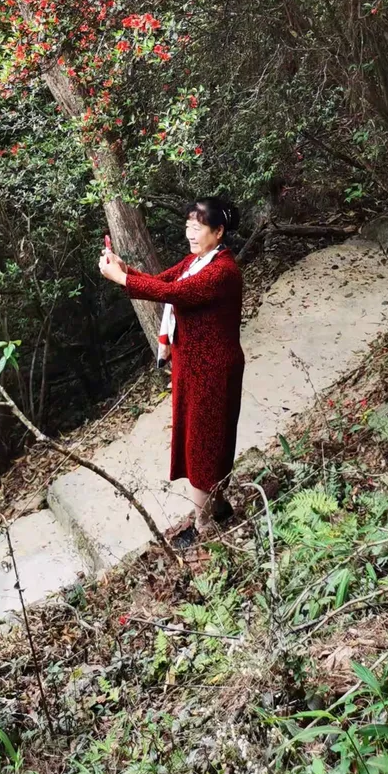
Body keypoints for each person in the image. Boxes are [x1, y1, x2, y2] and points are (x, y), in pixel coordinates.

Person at [98, 196, 244, 543]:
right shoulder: (196, 261)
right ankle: (217, 506)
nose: (190, 233)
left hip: (213, 371)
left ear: (219, 232)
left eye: (198, 227)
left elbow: (173, 293)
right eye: (188, 226)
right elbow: (162, 283)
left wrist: (122, 280)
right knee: (199, 440)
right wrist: (125, 271)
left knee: (204, 445)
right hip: (192, 367)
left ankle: (203, 525)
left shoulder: (222, 271)